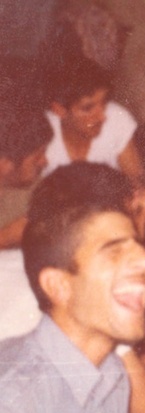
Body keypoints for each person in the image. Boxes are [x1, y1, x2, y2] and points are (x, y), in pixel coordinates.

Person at [0, 163, 145, 413]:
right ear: (59, 286)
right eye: (114, 250)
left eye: (137, 245)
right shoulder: (11, 405)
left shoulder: (112, 374)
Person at [0, 85, 53, 338]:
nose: (45, 161)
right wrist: (5, 238)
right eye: (37, 156)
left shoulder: (28, 189)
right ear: (5, 164)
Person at [43, 57, 143, 183]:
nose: (102, 117)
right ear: (59, 110)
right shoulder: (42, 134)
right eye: (87, 108)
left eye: (104, 102)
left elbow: (135, 182)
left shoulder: (116, 118)